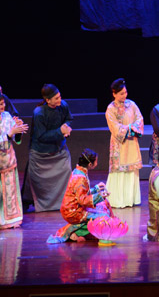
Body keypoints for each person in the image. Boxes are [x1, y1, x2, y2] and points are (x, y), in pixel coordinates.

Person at [21, 84, 73, 212]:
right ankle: (27, 201)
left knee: (67, 170)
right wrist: (60, 131)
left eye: (60, 96)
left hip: (59, 149)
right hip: (41, 152)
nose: (60, 100)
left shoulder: (63, 105)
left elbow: (68, 118)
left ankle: (66, 201)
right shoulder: (39, 113)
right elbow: (41, 136)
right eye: (56, 98)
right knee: (32, 180)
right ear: (48, 100)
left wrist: (66, 126)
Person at [46, 149, 110, 243]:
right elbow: (82, 200)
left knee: (103, 205)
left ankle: (82, 232)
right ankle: (75, 232)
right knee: (104, 216)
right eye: (96, 161)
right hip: (74, 212)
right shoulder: (80, 178)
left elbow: (81, 193)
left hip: (75, 207)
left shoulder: (78, 171)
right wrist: (100, 196)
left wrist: (96, 189)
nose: (97, 163)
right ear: (90, 164)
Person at [105, 78, 144, 208]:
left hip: (131, 142)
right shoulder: (111, 109)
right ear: (114, 94)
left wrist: (134, 128)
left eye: (125, 92)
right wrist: (129, 129)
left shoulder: (131, 105)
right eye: (121, 93)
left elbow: (139, 119)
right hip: (119, 144)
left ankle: (131, 199)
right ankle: (118, 200)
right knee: (119, 171)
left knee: (131, 170)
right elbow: (114, 127)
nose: (124, 95)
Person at [0, 95, 28, 229]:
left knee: (9, 192)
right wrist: (9, 134)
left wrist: (18, 129)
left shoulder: (6, 116)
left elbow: (15, 136)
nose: (3, 106)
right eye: (0, 104)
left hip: (8, 159)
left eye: (3, 103)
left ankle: (11, 220)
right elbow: (8, 134)